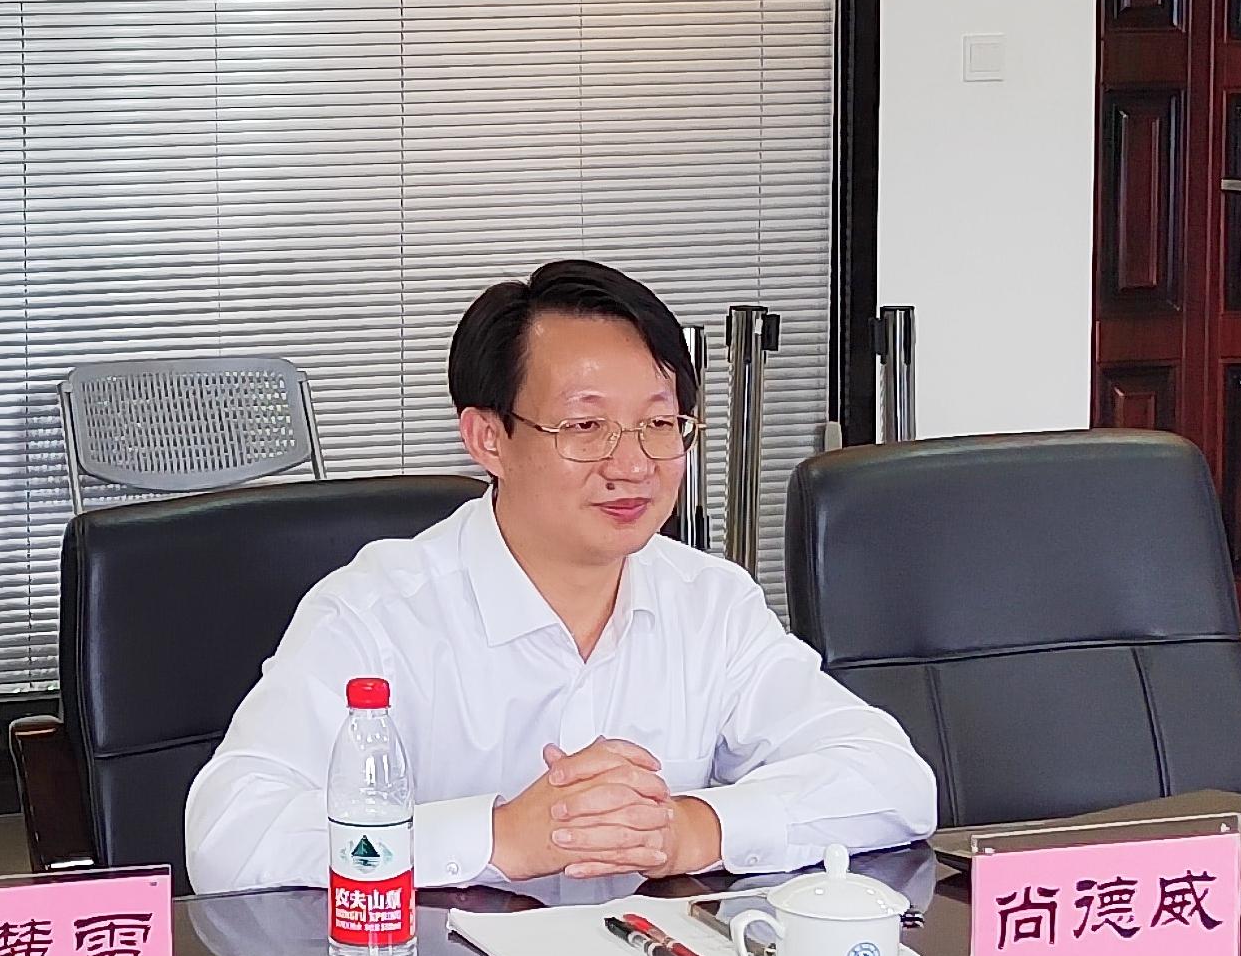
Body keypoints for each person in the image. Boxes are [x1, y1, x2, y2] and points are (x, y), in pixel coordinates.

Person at [186, 260, 935, 894]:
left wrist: (691, 827)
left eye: (659, 423)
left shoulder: (710, 602)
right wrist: (498, 836)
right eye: (584, 426)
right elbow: (228, 833)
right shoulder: (377, 614)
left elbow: (894, 779)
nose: (632, 463)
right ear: (489, 438)